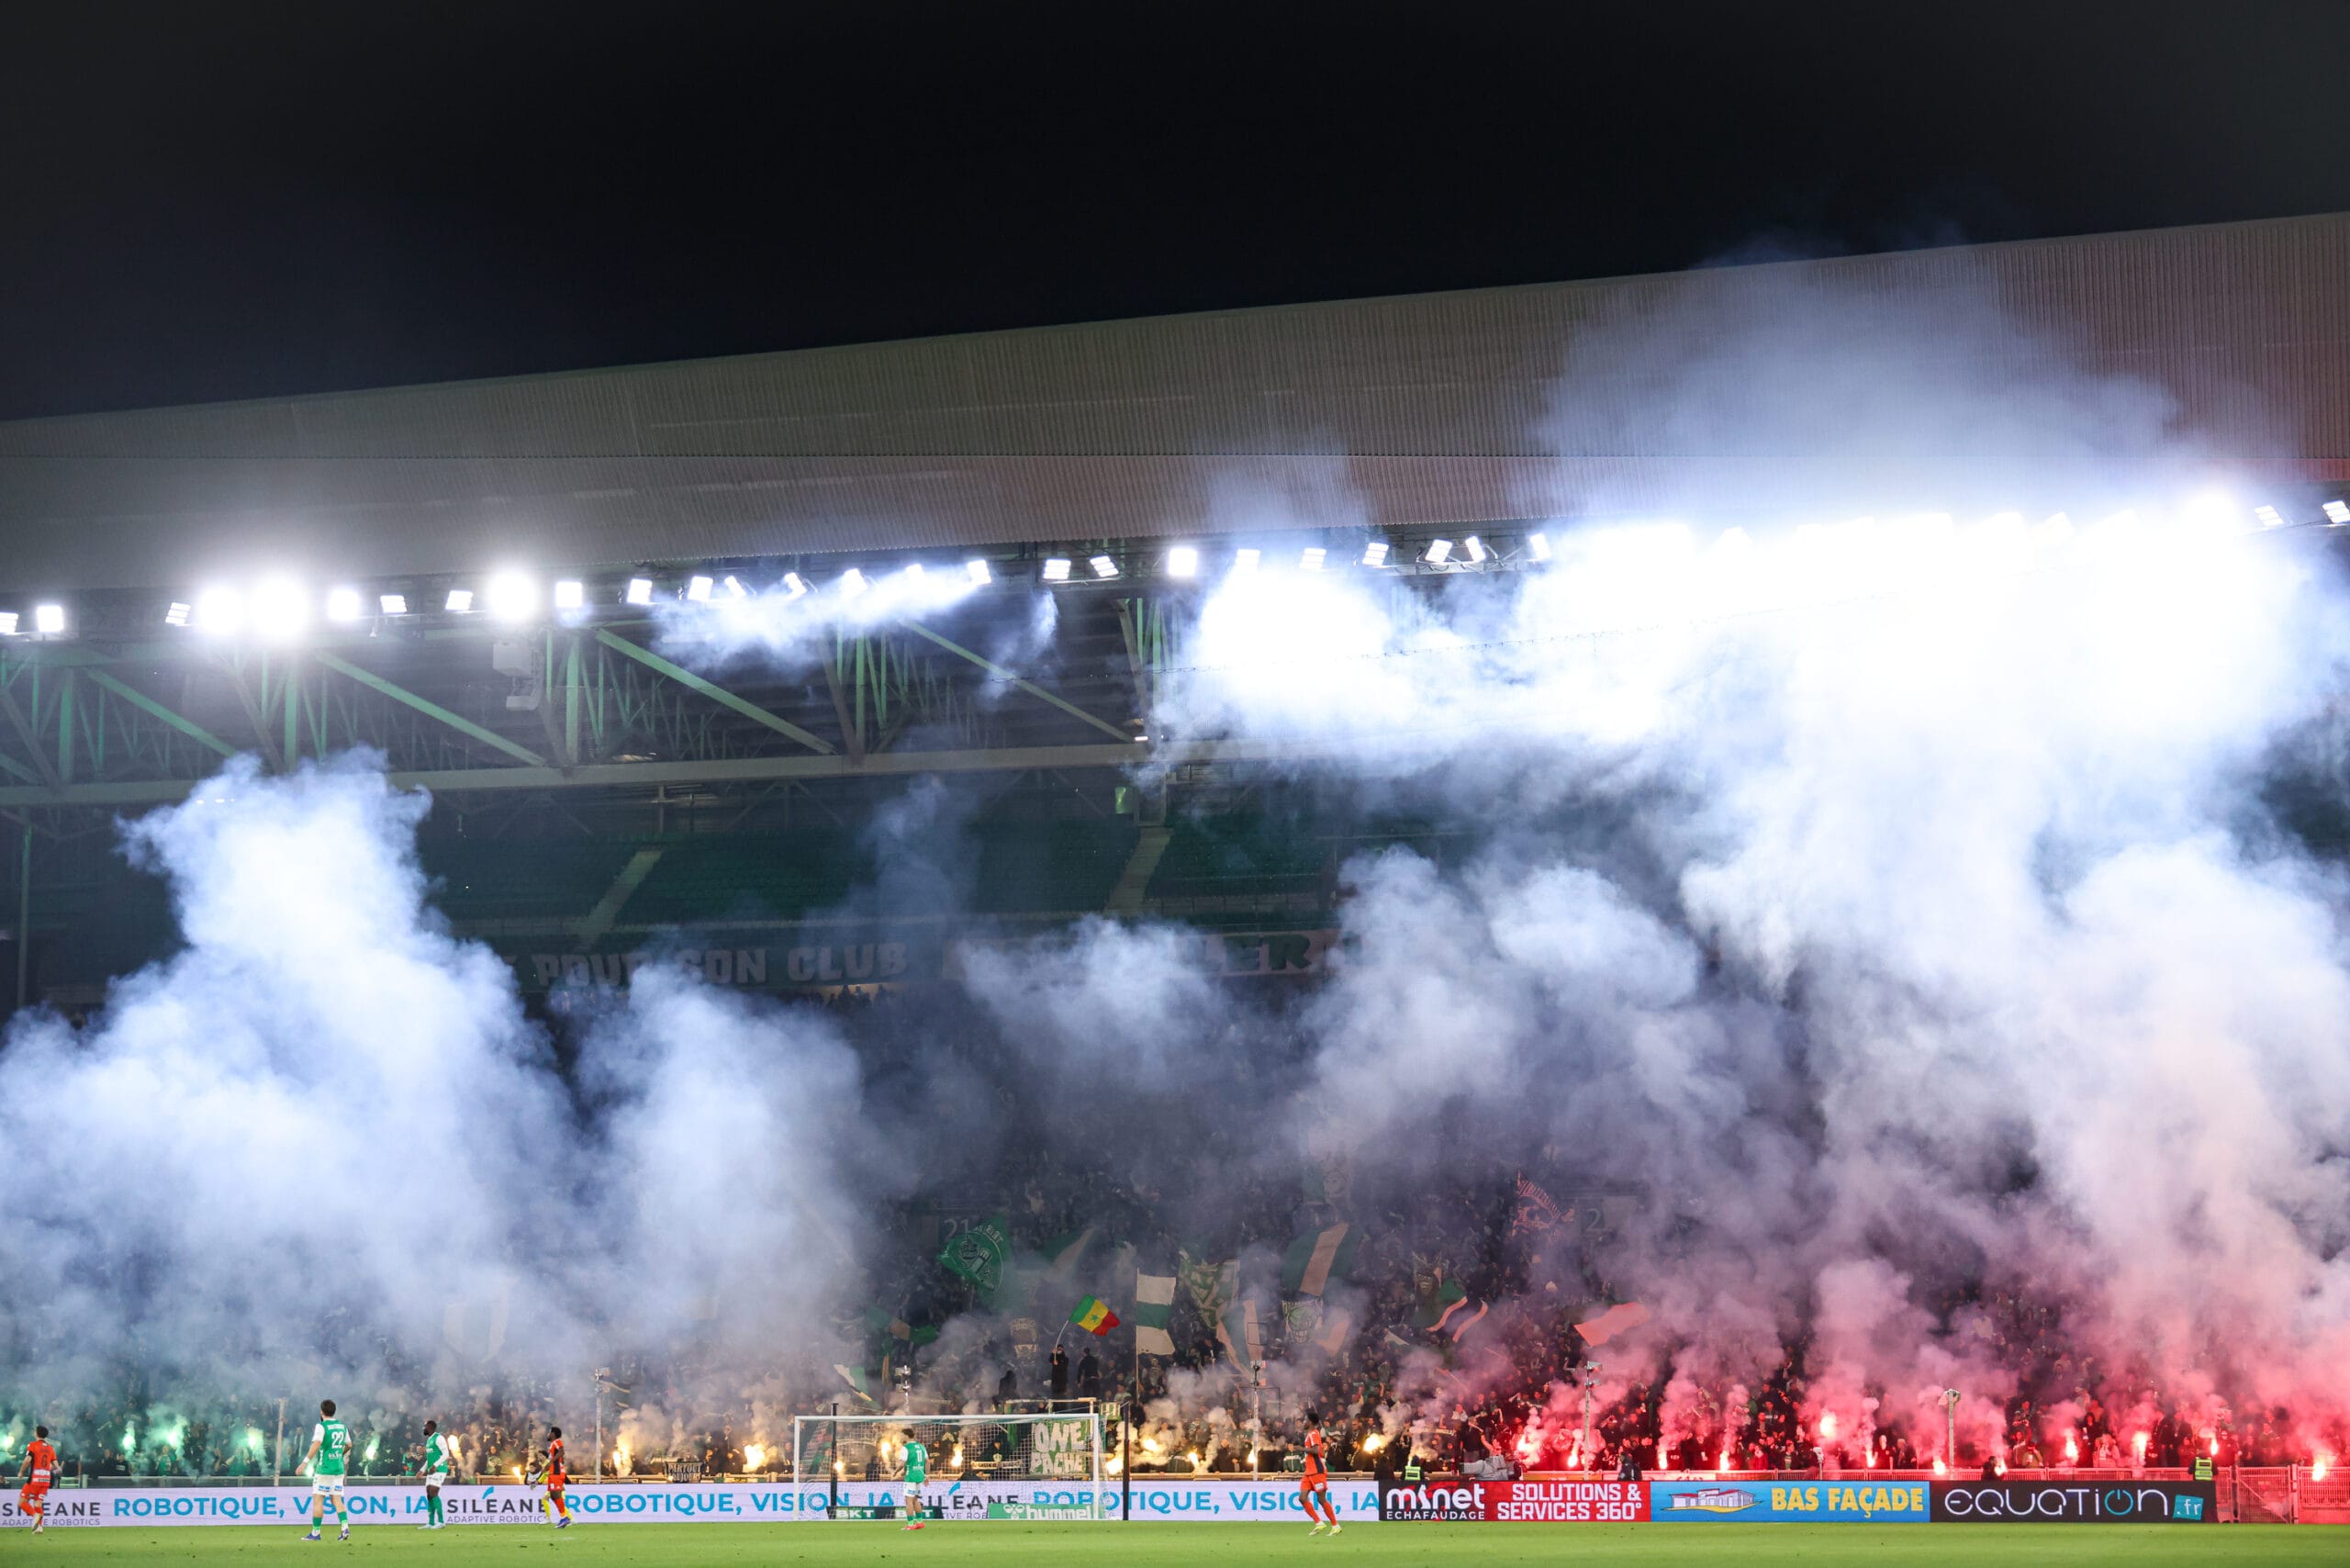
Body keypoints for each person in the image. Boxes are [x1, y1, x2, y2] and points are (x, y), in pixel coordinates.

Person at [298, 1399, 354, 1541]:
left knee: (318, 1500)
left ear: (321, 1412)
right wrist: (339, 1454)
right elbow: (349, 1444)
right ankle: (345, 1527)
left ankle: (316, 1533)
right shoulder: (342, 1426)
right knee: (336, 1498)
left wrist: (304, 1463)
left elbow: (316, 1444)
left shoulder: (322, 1426)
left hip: (324, 1469)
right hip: (338, 1469)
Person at [1300, 1412, 1340, 1537]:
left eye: (1305, 1420)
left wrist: (1302, 1449)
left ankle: (1335, 1526)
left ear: (1311, 1422)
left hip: (1317, 1471)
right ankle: (1319, 1523)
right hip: (1309, 1472)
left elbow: (1317, 1450)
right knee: (1302, 1498)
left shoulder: (1314, 1433)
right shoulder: (1309, 1434)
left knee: (1321, 1499)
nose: (1303, 1422)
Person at [16, 1425, 55, 1535]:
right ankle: (39, 1528)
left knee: (22, 1503)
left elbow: (28, 1460)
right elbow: (54, 1465)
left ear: (36, 1433)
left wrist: (21, 1471)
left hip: (34, 1479)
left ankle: (35, 1516)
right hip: (46, 1480)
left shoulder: (32, 1445)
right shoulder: (50, 1447)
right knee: (38, 1504)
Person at [416, 1420, 453, 1529]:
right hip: (431, 1470)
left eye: (425, 1427)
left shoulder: (439, 1438)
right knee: (428, 1494)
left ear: (430, 1427)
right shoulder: (429, 1440)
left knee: (433, 1492)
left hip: (439, 1469)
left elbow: (446, 1454)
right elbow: (429, 1459)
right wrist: (422, 1470)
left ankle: (441, 1522)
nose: (424, 1429)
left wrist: (436, 1465)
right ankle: (431, 1522)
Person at [899, 1434, 929, 1531]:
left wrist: (894, 1472)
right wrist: (927, 1476)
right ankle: (920, 1523)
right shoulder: (921, 1446)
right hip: (920, 1476)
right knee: (915, 1500)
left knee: (909, 1501)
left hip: (911, 1477)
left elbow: (902, 1464)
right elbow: (927, 1461)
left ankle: (910, 1524)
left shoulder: (906, 1448)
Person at [543, 1427, 571, 1528]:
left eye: (549, 1432)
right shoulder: (552, 1445)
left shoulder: (557, 1441)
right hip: (553, 1471)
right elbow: (562, 1459)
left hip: (556, 1471)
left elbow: (562, 1451)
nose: (548, 1434)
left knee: (555, 1493)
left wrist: (551, 1462)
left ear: (553, 1434)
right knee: (553, 1495)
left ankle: (564, 1518)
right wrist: (548, 1466)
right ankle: (564, 1518)